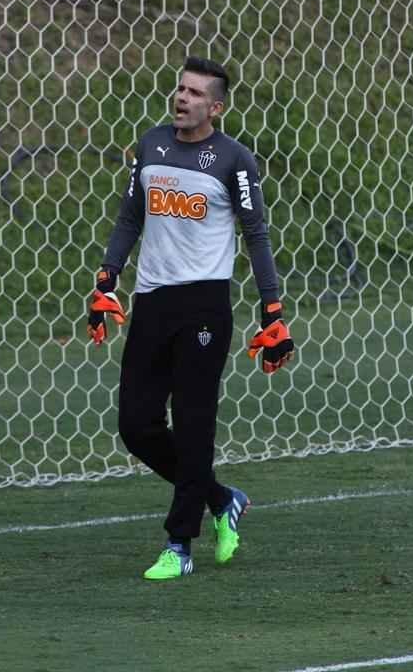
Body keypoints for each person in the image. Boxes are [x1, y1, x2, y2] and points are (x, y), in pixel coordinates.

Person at [87, 56, 294, 580]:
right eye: (180, 89)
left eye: (196, 93)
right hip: (152, 301)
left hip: (204, 304)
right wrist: (106, 277)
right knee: (136, 426)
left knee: (194, 425)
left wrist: (272, 309)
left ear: (216, 107)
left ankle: (179, 545)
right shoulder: (151, 144)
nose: (182, 98)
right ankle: (222, 498)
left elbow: (257, 234)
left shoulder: (233, 160)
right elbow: (131, 214)